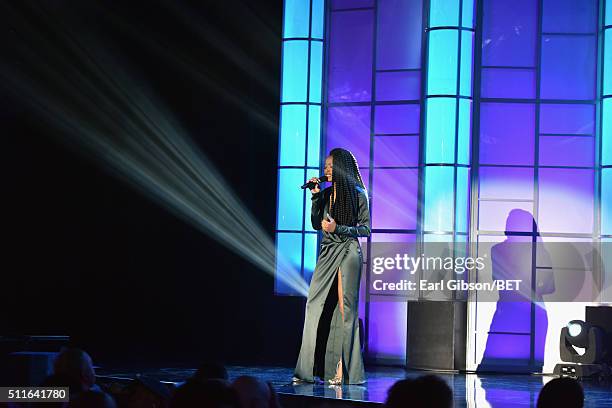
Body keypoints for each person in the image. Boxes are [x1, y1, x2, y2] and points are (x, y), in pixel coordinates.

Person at [293, 148, 370, 385]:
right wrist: (316, 196)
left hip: (347, 250)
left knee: (346, 311)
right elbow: (317, 224)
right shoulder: (326, 194)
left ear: (341, 168)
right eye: (325, 166)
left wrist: (339, 228)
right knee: (314, 306)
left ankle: (345, 371)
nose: (326, 170)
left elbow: (365, 229)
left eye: (330, 166)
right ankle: (307, 370)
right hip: (327, 251)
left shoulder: (358, 194)